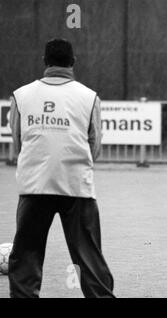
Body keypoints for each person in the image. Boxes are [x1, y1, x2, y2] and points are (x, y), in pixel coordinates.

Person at [8, 38, 115, 297]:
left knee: (27, 255)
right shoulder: (89, 97)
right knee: (89, 258)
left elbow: (18, 140)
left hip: (34, 184)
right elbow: (95, 146)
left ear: (45, 62)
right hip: (76, 185)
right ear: (73, 62)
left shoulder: (21, 96)